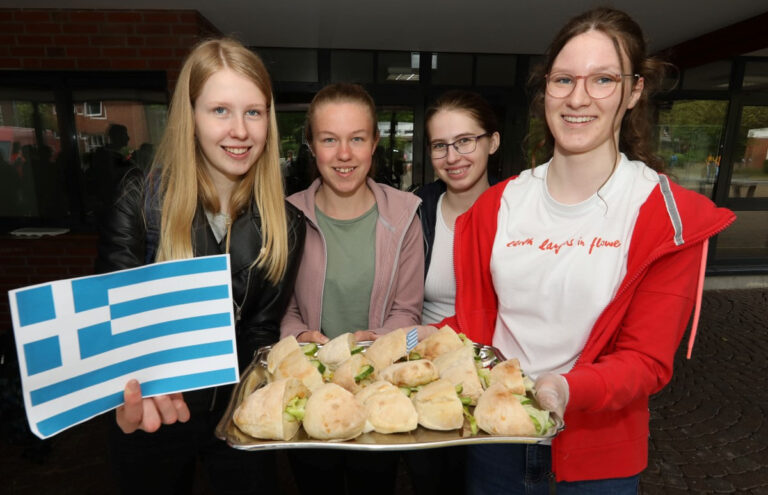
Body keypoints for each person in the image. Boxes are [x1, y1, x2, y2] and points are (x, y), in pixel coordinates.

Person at [432, 7, 735, 494]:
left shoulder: (668, 217)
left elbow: (646, 360)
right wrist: (400, 341)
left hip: (599, 454)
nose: (578, 98)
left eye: (603, 80)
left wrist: (564, 388)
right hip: (495, 435)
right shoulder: (497, 205)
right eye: (564, 79)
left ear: (633, 91)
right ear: (546, 89)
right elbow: (476, 324)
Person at [95, 38, 305, 494]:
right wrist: (123, 392)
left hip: (238, 413)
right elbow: (114, 327)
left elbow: (260, 328)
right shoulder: (140, 199)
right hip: (155, 413)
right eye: (220, 110)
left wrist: (264, 394)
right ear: (190, 116)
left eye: (254, 112)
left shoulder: (286, 223)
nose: (240, 130)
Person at [279, 83, 424, 495]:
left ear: (374, 143)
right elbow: (283, 308)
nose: (344, 154)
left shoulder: (405, 215)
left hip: (378, 389)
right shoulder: (287, 216)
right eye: (329, 140)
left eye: (357, 139)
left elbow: (407, 311)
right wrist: (300, 337)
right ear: (312, 146)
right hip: (311, 389)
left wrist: (372, 346)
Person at [417, 90, 500, 325]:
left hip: (491, 345)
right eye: (439, 145)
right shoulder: (416, 211)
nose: (452, 157)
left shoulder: (518, 211)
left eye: (464, 141)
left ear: (493, 142)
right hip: (422, 344)